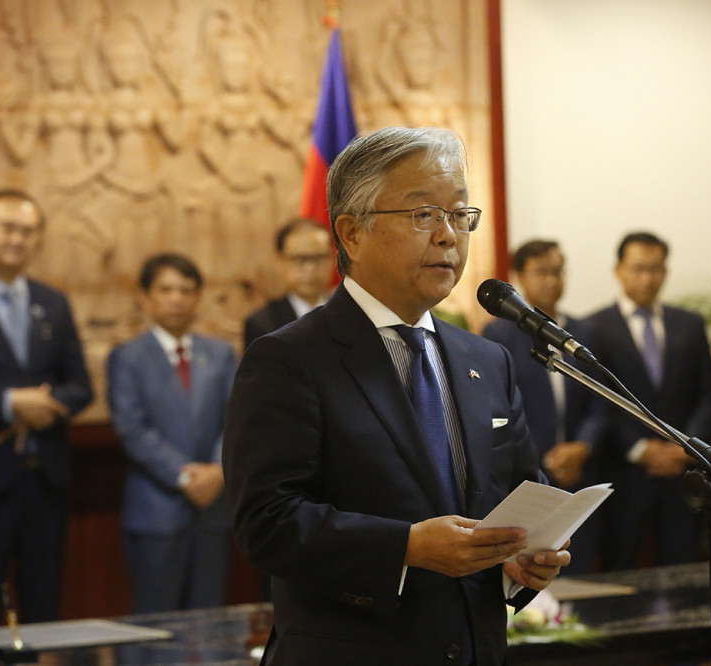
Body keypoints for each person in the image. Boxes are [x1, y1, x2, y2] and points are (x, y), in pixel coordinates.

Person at [222, 126, 570, 665]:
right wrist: (406, 548)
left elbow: (522, 491)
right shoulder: (290, 359)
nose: (449, 235)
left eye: (459, 214)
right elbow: (266, 524)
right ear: (352, 233)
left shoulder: (486, 359)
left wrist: (524, 559)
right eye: (424, 214)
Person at [0, 189, 93, 627]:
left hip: (45, 481)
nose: (18, 239)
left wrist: (45, 406)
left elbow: (81, 386)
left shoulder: (52, 302)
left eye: (28, 231)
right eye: (8, 228)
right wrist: (9, 404)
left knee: (44, 606)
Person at [108, 253, 237, 613]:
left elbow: (237, 420)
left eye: (186, 290)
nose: (176, 299)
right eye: (166, 290)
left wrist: (217, 471)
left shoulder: (221, 354)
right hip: (156, 512)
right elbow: (132, 429)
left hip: (213, 509)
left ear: (198, 297)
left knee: (209, 618)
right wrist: (186, 477)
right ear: (145, 297)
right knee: (158, 622)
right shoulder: (127, 357)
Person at [583, 232, 711, 570]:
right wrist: (639, 449)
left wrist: (687, 447)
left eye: (655, 269)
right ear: (619, 270)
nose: (647, 278)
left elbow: (707, 394)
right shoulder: (593, 328)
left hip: (683, 470)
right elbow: (598, 399)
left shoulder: (690, 324)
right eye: (638, 269)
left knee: (683, 569)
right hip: (624, 471)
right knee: (620, 567)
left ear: (665, 271)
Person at [482, 239, 605, 572]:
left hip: (580, 471)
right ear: (520, 277)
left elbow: (599, 403)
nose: (551, 280)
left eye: (557, 271)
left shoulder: (583, 332)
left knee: (581, 568)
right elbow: (498, 409)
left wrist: (582, 447)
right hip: (527, 477)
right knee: (535, 567)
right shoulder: (497, 335)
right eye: (541, 272)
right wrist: (543, 458)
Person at [243, 218, 335, 348]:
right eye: (300, 259)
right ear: (279, 262)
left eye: (318, 257)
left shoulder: (349, 313)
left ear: (333, 260)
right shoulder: (262, 324)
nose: (310, 268)